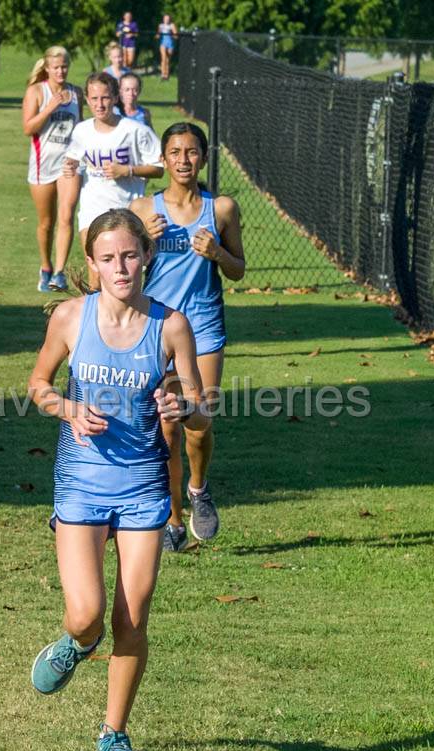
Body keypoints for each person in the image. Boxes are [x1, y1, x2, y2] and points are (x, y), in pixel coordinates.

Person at [27, 208, 210, 751]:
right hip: (81, 480)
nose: (121, 267)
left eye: (130, 255)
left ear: (146, 256)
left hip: (144, 483)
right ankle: (78, 643)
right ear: (92, 264)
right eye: (108, 258)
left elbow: (202, 413)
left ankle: (113, 732)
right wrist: (69, 409)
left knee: (133, 614)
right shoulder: (69, 317)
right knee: (87, 613)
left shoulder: (170, 325)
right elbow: (38, 385)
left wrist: (184, 406)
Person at [130, 122, 246, 552]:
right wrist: (148, 247)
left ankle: (199, 489)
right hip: (157, 330)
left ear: (203, 158)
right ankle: (173, 522)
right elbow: (125, 272)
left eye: (192, 152)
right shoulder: (144, 210)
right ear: (164, 159)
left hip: (204, 327)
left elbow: (238, 268)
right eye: (175, 152)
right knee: (167, 431)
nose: (183, 159)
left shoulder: (222, 210)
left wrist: (217, 253)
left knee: (197, 421)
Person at [62, 72, 163, 290]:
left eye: (105, 98)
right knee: (97, 273)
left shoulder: (135, 131)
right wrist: (70, 166)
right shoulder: (82, 131)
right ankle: (95, 320)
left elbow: (160, 168)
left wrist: (127, 170)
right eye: (94, 99)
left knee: (127, 277)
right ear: (87, 100)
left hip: (127, 210)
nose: (100, 104)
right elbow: (75, 160)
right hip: (92, 210)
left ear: (115, 97)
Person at [22, 46, 82, 293]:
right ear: (47, 68)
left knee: (67, 215)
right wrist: (50, 108)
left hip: (68, 165)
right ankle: (45, 267)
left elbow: (81, 128)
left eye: (65, 66)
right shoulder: (37, 92)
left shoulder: (76, 93)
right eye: (56, 67)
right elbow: (28, 128)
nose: (61, 71)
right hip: (42, 164)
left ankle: (59, 273)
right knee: (47, 222)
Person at [157, 15, 178, 81]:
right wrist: (157, 35)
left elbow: (176, 35)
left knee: (167, 60)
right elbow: (158, 34)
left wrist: (173, 34)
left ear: (170, 19)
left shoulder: (172, 25)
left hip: (170, 44)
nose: (166, 20)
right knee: (163, 58)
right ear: (163, 19)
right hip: (163, 43)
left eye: (168, 19)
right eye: (165, 19)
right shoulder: (161, 26)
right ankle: (163, 74)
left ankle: (167, 75)